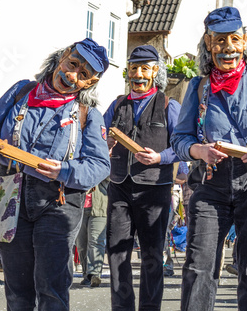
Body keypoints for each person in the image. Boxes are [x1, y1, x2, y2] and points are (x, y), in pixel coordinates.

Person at [170, 6, 247, 311]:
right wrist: (198, 150)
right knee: (199, 265)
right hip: (211, 183)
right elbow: (179, 138)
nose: (228, 49)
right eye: (219, 41)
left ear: (245, 40)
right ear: (208, 44)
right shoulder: (198, 88)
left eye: (234, 40)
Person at [0, 38, 111, 310]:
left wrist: (64, 170)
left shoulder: (88, 114)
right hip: (10, 193)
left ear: (90, 83)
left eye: (83, 75)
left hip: (58, 202)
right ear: (62, 57)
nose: (72, 76)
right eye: (72, 65)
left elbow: (99, 165)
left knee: (51, 288)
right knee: (17, 288)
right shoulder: (22, 90)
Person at [103, 44, 181, 310]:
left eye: (144, 69)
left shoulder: (169, 105)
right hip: (119, 187)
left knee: (151, 256)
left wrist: (161, 158)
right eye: (133, 68)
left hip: (154, 189)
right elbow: (98, 138)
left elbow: (183, 145)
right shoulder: (117, 105)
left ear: (155, 72)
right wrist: (105, 146)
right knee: (117, 255)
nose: (138, 74)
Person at [76, 177, 109, 288]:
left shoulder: (100, 160)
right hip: (78, 207)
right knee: (81, 244)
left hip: (99, 206)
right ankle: (86, 275)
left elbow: (110, 176)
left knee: (95, 240)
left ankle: (94, 274)